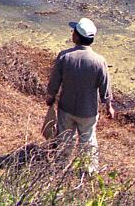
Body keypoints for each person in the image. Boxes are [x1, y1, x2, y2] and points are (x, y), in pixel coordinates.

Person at [45, 17, 114, 174]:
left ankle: (60, 167)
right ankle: (89, 171)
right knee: (88, 140)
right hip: (88, 111)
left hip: (66, 108)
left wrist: (51, 97)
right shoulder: (99, 61)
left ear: (76, 37)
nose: (72, 33)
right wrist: (108, 105)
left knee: (65, 139)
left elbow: (54, 81)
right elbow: (105, 86)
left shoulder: (64, 56)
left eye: (73, 31)